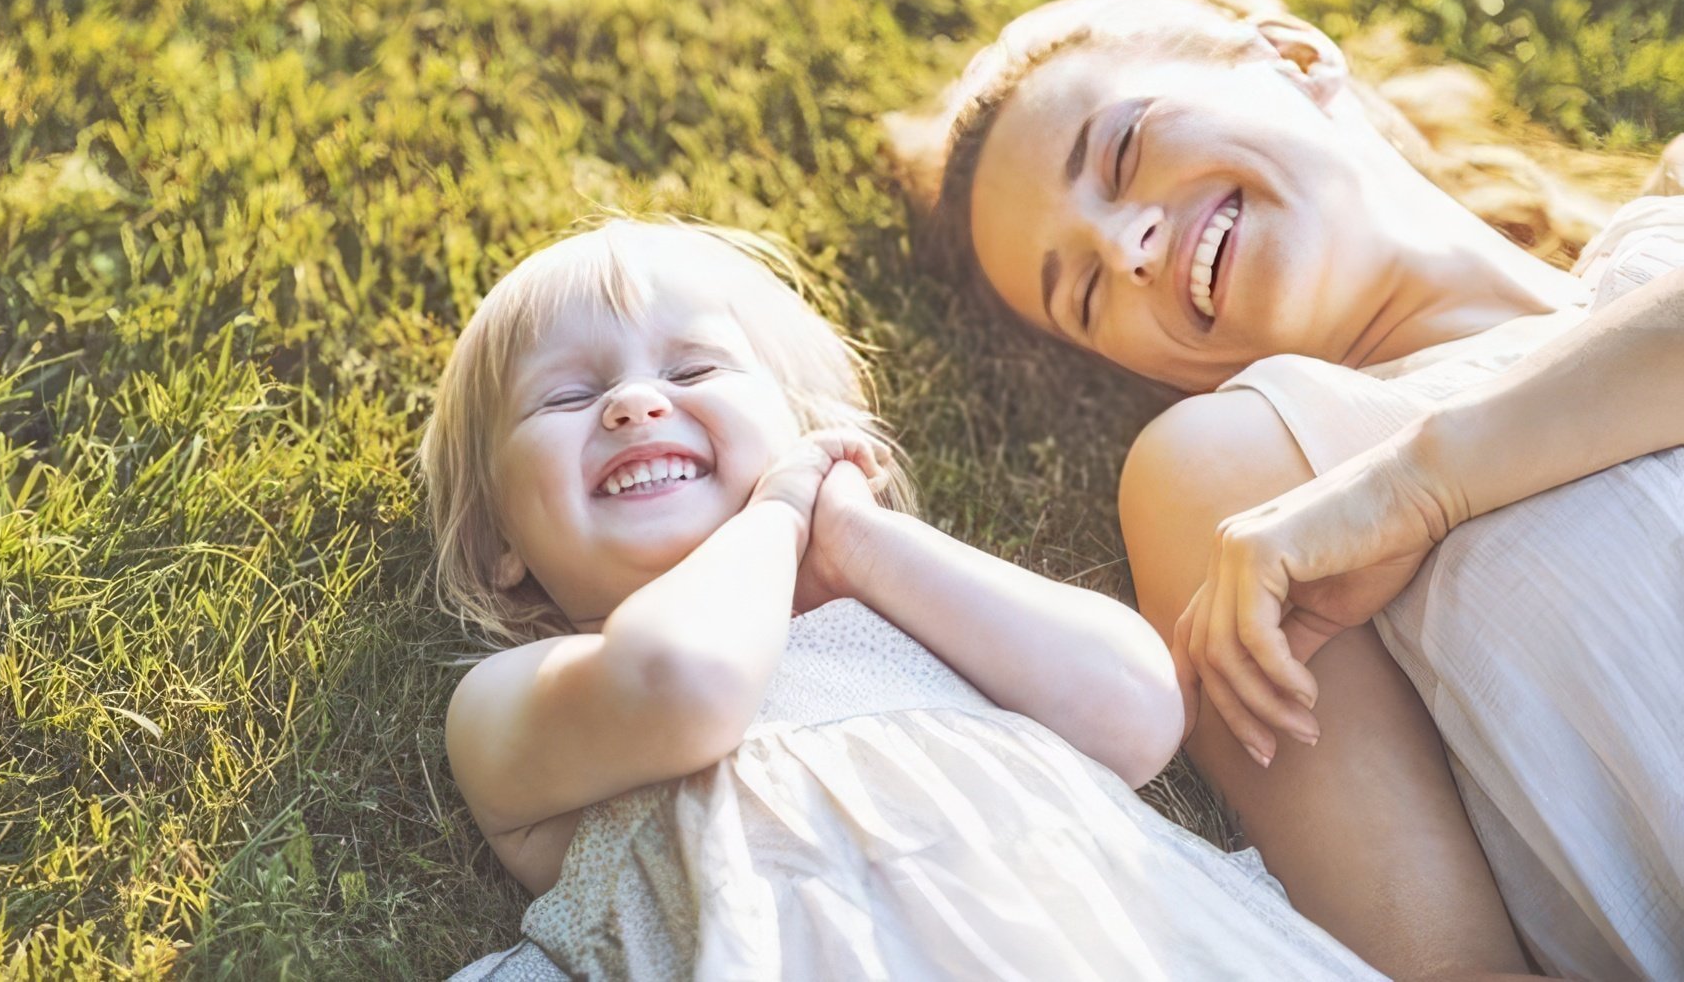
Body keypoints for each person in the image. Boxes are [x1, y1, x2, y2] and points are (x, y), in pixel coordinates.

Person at [889, 0, 1684, 980]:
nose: (1127, 243)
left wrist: (1423, 483)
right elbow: (1443, 961)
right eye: (1086, 291)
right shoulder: (1251, 477)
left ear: (1296, 58)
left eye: (1124, 150)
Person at [422, 218, 1382, 978]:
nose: (634, 405)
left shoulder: (906, 614)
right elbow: (683, 681)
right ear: (503, 543)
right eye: (564, 399)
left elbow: (1135, 708)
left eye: (692, 370)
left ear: (807, 437)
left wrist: (858, 539)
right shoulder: (523, 693)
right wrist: (777, 518)